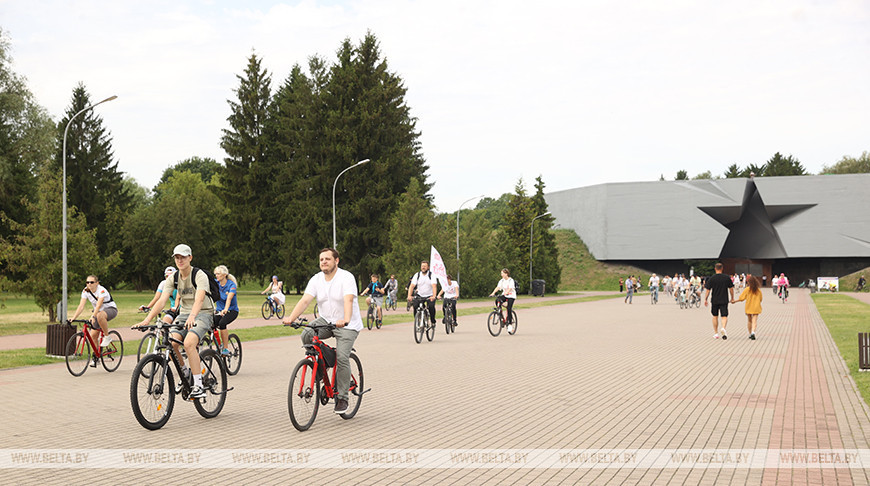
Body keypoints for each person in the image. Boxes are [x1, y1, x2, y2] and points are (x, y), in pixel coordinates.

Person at [283, 248, 362, 414]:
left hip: (347, 324)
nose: (324, 262)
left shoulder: (346, 277)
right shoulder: (316, 279)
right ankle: (320, 369)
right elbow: (305, 300)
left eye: (327, 259)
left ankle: (342, 398)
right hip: (326, 320)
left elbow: (348, 300)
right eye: (321, 259)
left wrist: (346, 319)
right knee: (307, 334)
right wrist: (291, 317)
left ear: (336, 261)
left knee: (342, 357)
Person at [134, 244, 215, 399]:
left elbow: (199, 299)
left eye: (183, 257)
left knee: (189, 343)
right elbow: (162, 300)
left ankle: (198, 385)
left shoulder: (199, 275)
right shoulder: (173, 278)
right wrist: (146, 320)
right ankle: (185, 373)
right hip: (184, 314)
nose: (180, 260)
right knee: (172, 343)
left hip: (203, 313)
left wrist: (192, 316)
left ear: (190, 258)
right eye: (177, 257)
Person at [69, 275, 118, 348]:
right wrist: (73, 317)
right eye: (87, 282)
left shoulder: (101, 290)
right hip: (98, 312)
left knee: (99, 315)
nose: (89, 284)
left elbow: (98, 305)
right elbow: (81, 306)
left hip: (111, 309)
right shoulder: (85, 291)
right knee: (93, 336)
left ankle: (107, 337)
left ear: (97, 283)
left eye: (91, 282)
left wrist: (93, 316)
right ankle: (96, 357)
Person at [704, 262, 735, 340]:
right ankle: (723, 328)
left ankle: (716, 333)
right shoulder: (727, 278)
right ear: (722, 269)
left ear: (715, 269)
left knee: (715, 316)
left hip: (714, 300)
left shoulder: (712, 278)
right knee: (724, 315)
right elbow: (731, 289)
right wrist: (732, 298)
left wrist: (705, 299)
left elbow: (708, 290)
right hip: (724, 299)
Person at [213, 265, 239, 356]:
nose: (216, 276)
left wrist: (225, 309)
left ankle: (226, 348)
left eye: (218, 274)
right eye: (215, 274)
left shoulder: (231, 285)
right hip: (219, 311)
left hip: (231, 311)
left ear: (224, 275)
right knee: (210, 324)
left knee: (222, 323)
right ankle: (219, 345)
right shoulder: (215, 283)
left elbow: (229, 298)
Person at [408, 261, 438, 328]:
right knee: (415, 305)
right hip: (420, 295)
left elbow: (434, 286)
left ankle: (433, 321)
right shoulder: (417, 275)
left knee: (431, 307)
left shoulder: (431, 275)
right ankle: (418, 320)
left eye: (425, 266)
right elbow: (412, 286)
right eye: (422, 266)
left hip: (429, 295)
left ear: (428, 267)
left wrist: (434, 296)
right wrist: (409, 295)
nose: (423, 267)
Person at [733, 275, 762, 340]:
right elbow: (761, 299)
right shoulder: (758, 290)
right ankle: (753, 332)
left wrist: (734, 301)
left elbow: (741, 298)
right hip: (756, 306)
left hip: (749, 306)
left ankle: (750, 333)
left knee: (749, 320)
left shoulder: (747, 289)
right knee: (754, 320)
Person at [489, 268, 517, 333]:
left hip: (511, 296)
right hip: (505, 295)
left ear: (506, 274)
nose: (501, 274)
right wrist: (493, 293)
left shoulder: (511, 280)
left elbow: (510, 288)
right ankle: (500, 314)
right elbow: (498, 287)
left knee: (509, 308)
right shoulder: (501, 281)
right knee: (497, 300)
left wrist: (507, 292)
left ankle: (509, 324)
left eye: (502, 273)